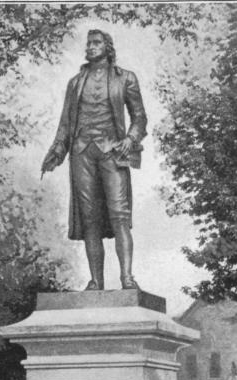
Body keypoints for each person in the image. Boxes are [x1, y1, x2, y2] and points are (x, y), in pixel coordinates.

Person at [41, 29, 147, 290]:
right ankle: (95, 281)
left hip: (113, 152)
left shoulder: (125, 78)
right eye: (88, 43)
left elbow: (140, 117)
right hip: (82, 153)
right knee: (90, 219)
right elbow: (65, 123)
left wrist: (131, 139)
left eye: (96, 43)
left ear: (107, 47)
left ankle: (126, 277)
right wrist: (56, 151)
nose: (90, 47)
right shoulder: (76, 82)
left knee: (119, 214)